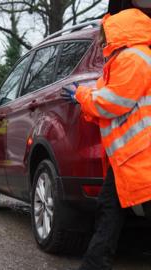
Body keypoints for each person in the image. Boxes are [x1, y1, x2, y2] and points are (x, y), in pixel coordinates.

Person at [61, 8, 151, 270]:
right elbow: (105, 93)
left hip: (140, 154)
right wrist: (85, 94)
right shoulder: (126, 59)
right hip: (131, 156)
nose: (101, 39)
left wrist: (81, 96)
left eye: (104, 33)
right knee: (108, 208)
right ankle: (94, 263)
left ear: (119, 32)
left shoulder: (133, 59)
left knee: (110, 209)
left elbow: (113, 102)